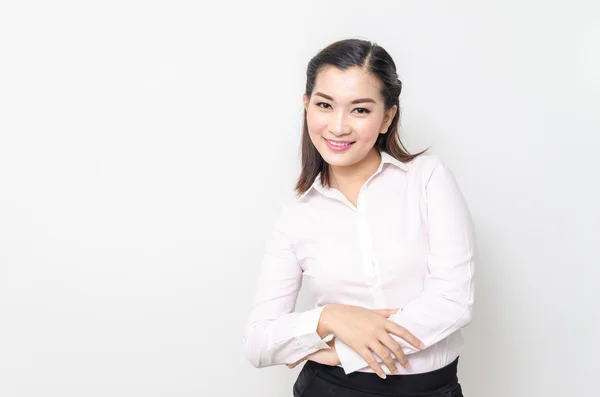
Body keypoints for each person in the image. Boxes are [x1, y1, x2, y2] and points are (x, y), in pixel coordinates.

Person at [242, 38, 475, 397]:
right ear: (307, 107)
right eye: (324, 105)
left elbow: (452, 302)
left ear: (387, 117)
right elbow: (259, 342)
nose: (338, 127)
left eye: (360, 110)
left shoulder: (428, 179)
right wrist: (328, 317)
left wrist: (343, 349)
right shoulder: (296, 215)